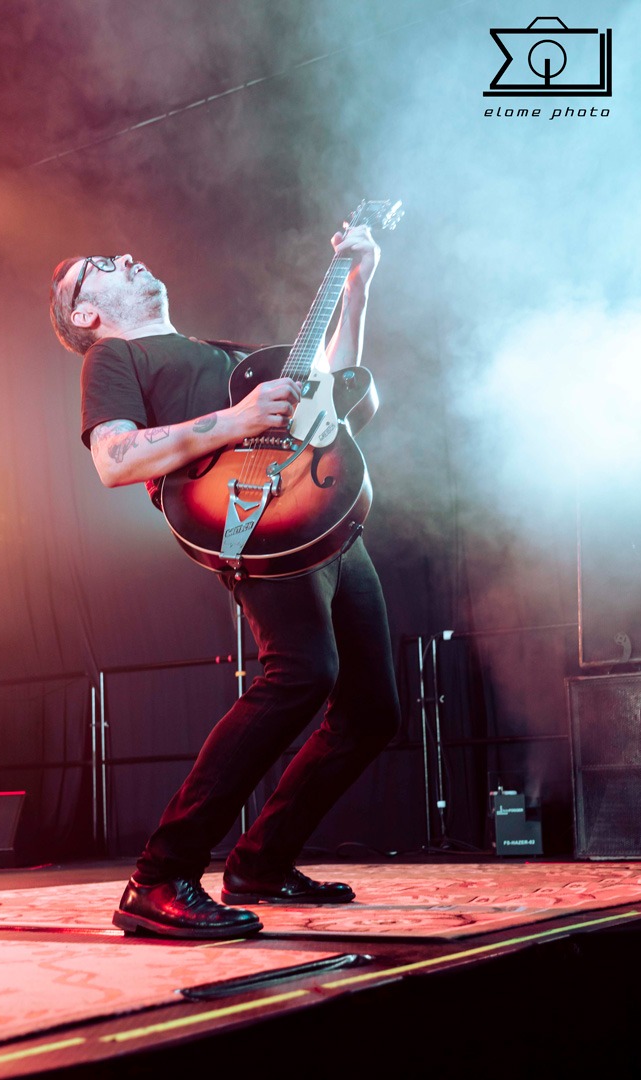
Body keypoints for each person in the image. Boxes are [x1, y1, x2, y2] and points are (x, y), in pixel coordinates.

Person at [49, 219, 401, 939]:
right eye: (103, 265)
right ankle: (159, 875)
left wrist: (358, 287)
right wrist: (236, 421)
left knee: (372, 712)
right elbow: (115, 459)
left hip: (324, 515)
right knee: (301, 673)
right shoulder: (115, 357)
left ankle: (261, 862)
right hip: (251, 518)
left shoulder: (224, 353)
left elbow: (329, 394)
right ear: (85, 314)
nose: (128, 256)